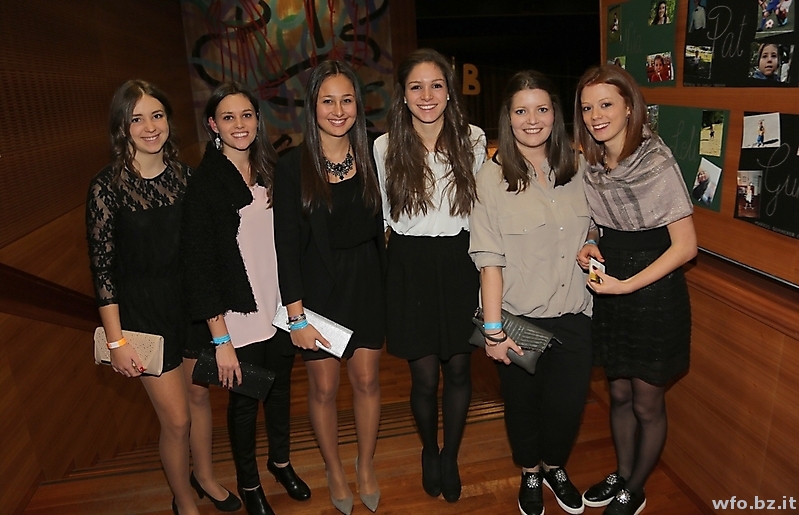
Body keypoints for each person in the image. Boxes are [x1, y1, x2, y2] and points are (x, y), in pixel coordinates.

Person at [86, 80, 239, 515]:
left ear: (168, 120)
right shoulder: (105, 188)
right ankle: (183, 498)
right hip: (143, 316)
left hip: (191, 309)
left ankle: (204, 476)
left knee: (199, 399)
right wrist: (116, 341)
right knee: (176, 419)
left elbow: (203, 256)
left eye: (157, 115)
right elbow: (102, 271)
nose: (150, 127)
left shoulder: (188, 179)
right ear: (122, 127)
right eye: (137, 119)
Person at [181, 81, 311, 515]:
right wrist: (221, 340)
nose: (240, 124)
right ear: (213, 125)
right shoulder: (205, 183)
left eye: (247, 115)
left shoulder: (271, 170)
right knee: (245, 403)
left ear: (258, 120)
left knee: (280, 391)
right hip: (237, 315)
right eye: (228, 117)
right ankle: (250, 483)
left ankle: (280, 462)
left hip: (278, 307)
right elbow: (200, 268)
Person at [469, 70, 594, 515]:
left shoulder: (577, 167)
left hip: (575, 315)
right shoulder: (491, 178)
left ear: (555, 114)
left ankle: (555, 466)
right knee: (523, 407)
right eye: (521, 111)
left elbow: (592, 225)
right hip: (520, 321)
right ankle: (530, 472)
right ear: (508, 117)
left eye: (541, 109)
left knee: (567, 408)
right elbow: (489, 261)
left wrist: (592, 239)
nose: (532, 119)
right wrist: (493, 331)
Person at [574, 64, 697, 515]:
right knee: (619, 394)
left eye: (606, 104)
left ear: (630, 107)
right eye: (587, 107)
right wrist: (591, 241)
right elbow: (599, 220)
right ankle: (622, 473)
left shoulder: (656, 160)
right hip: (612, 286)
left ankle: (636, 488)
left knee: (646, 403)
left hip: (653, 291)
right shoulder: (593, 162)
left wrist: (627, 286)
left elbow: (686, 246)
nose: (595, 116)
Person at [373, 48, 487, 503]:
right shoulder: (384, 146)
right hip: (409, 262)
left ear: (449, 92)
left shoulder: (473, 139)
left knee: (459, 369)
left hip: (460, 260)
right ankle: (429, 449)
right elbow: (384, 216)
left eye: (436, 85)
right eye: (416, 87)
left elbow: (483, 211)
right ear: (402, 94)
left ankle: (451, 455)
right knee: (423, 377)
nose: (426, 95)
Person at [273, 60, 385, 515]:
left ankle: (365, 464)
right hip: (317, 290)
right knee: (323, 388)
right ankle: (335, 468)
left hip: (368, 282)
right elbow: (285, 247)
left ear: (358, 105)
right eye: (328, 101)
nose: (338, 110)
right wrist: (296, 317)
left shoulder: (375, 154)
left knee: (368, 380)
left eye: (347, 100)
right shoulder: (290, 167)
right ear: (312, 106)